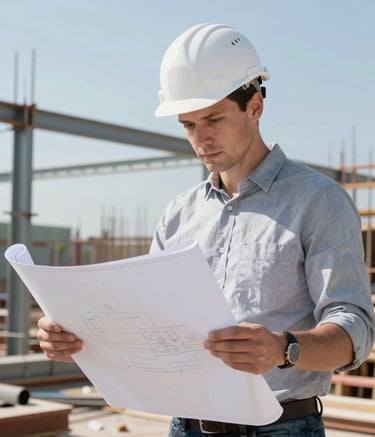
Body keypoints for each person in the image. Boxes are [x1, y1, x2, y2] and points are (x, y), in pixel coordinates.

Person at [37, 23, 375, 436]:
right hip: (186, 426)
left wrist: (283, 349)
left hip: (280, 427)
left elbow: (354, 331)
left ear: (255, 106)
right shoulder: (180, 213)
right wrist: (80, 340)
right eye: (188, 125)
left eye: (213, 118)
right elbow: (147, 325)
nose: (202, 139)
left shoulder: (318, 200)